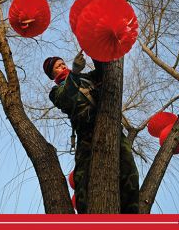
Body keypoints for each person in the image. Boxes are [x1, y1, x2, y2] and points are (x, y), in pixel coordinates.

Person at [43, 51, 139, 214]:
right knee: (82, 181)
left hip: (109, 125)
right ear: (53, 75)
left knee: (129, 169)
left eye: (62, 63)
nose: (62, 65)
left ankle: (131, 216)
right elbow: (67, 97)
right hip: (85, 133)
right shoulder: (56, 91)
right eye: (58, 66)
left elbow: (104, 72)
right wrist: (74, 72)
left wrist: (94, 49)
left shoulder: (86, 78)